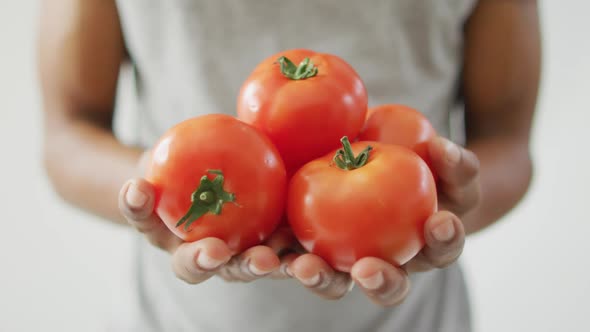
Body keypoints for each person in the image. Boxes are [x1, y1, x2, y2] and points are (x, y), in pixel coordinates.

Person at [38, 0, 540, 331]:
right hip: (175, 318)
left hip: (418, 318)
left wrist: (443, 210)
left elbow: (509, 143)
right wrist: (150, 190)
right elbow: (67, 133)